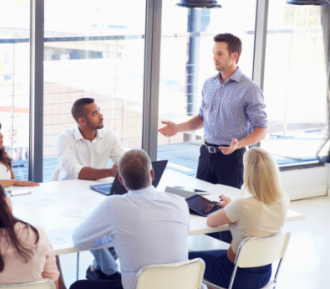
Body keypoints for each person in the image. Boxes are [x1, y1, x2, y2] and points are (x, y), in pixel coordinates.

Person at [158, 33, 267, 190]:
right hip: (206, 155)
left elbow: (261, 128)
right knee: (200, 202)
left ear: (234, 55)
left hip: (232, 157)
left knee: (227, 207)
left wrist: (238, 145)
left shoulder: (250, 89)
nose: (215, 57)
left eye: (220, 53)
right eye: (214, 53)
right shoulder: (208, 84)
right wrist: (178, 128)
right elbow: (202, 118)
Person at [70, 149, 190, 289]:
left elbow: (80, 241)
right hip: (182, 284)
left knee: (77, 286)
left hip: (139, 286)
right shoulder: (179, 202)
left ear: (120, 180)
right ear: (152, 174)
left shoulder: (114, 205)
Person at [188, 148, 289, 289]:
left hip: (234, 276)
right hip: (265, 274)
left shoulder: (242, 205)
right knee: (214, 256)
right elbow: (255, 215)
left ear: (248, 174)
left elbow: (211, 222)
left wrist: (229, 207)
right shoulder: (283, 199)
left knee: (189, 259)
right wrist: (231, 207)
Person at [54, 98, 126, 280]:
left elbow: (123, 161)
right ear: (82, 121)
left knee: (122, 224)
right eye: (95, 113)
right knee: (95, 229)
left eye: (99, 111)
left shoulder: (109, 135)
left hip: (100, 193)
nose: (101, 115)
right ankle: (106, 270)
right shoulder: (64, 138)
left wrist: (124, 166)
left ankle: (99, 268)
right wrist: (110, 171)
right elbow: (74, 171)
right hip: (70, 196)